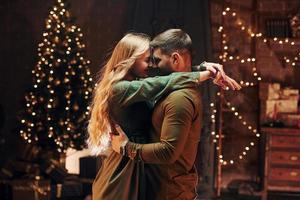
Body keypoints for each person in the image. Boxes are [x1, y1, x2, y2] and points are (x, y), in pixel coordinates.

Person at [88, 32, 240, 200]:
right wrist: (204, 74)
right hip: (124, 170)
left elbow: (162, 82)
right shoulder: (120, 89)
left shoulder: (136, 84)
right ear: (130, 60)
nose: (153, 66)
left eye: (154, 60)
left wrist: (201, 69)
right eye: (148, 60)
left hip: (135, 165)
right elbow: (162, 82)